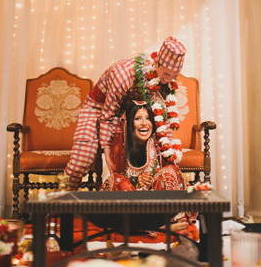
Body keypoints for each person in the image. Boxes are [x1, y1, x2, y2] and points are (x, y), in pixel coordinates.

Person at [64, 36, 186, 191]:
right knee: (81, 160)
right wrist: (107, 152)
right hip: (99, 110)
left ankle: (156, 205)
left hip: (130, 114)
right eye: (167, 74)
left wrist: (171, 158)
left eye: (174, 76)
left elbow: (162, 118)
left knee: (160, 155)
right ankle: (60, 205)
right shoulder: (123, 74)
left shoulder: (166, 82)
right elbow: (108, 115)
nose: (169, 79)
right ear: (156, 62)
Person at [103, 100, 197, 238]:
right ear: (129, 124)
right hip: (136, 204)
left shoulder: (160, 142)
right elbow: (122, 181)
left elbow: (171, 176)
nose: (144, 123)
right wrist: (137, 182)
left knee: (169, 171)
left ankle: (157, 224)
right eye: (137, 119)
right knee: (115, 180)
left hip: (158, 200)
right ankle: (155, 227)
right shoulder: (122, 146)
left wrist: (152, 180)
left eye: (148, 118)